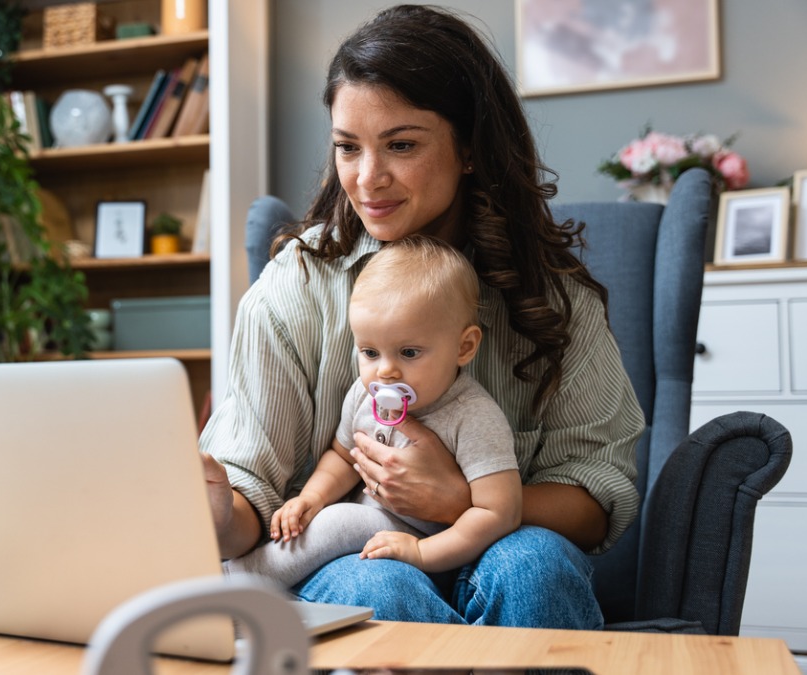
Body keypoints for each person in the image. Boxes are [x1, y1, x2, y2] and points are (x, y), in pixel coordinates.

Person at [199, 4, 643, 630]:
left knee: (535, 568)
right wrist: (216, 509)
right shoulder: (294, 285)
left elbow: (596, 499)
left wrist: (460, 500)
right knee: (380, 585)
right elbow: (252, 498)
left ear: (470, 148)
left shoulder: (553, 295)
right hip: (353, 555)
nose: (367, 179)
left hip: (502, 545)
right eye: (347, 148)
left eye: (401, 145)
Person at [224, 236, 521, 588]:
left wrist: (422, 551)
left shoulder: (473, 416)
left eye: (408, 353)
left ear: (464, 347)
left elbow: (499, 512)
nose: (385, 372)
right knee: (323, 519)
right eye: (369, 352)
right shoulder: (364, 394)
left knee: (338, 523)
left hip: (435, 544)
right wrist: (312, 497)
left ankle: (241, 582)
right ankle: (254, 584)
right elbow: (342, 456)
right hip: (374, 537)